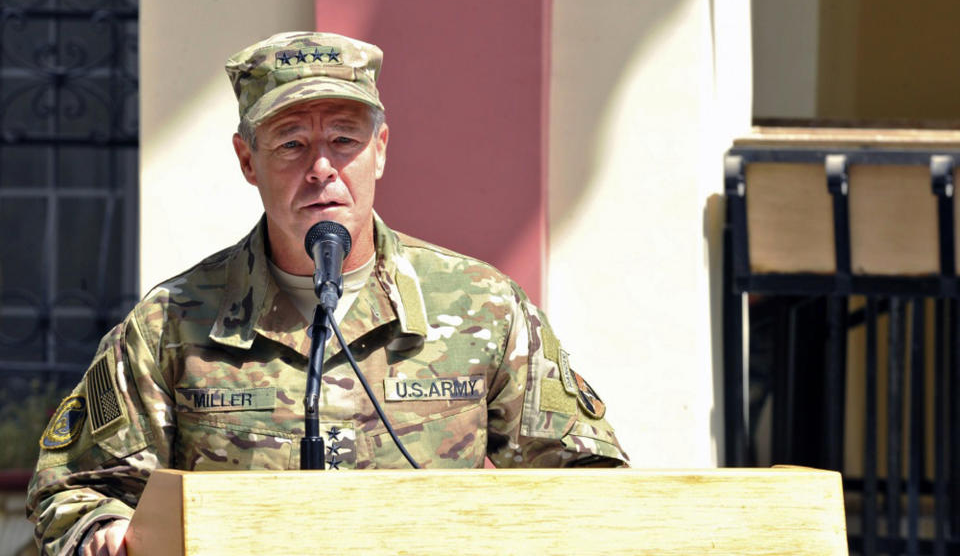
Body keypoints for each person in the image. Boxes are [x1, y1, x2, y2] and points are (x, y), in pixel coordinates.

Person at [27, 32, 628, 555]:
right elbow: (77, 487)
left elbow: (591, 479)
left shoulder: (482, 307)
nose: (321, 168)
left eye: (345, 140)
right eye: (291, 144)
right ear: (248, 161)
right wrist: (105, 530)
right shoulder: (172, 321)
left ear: (381, 150)